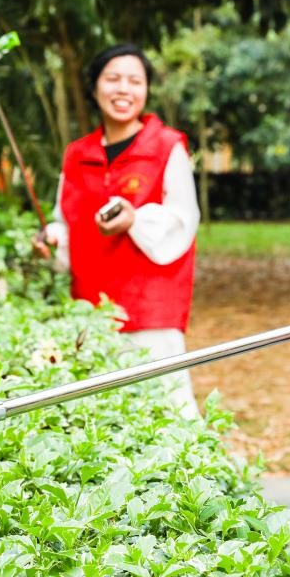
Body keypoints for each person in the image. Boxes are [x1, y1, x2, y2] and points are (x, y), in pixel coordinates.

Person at [33, 43, 200, 418]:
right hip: (91, 307)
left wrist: (135, 220)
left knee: (166, 409)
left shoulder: (167, 146)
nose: (124, 89)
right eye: (113, 79)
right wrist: (52, 239)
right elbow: (66, 219)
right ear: (94, 88)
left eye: (134, 81)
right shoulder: (77, 154)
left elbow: (183, 219)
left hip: (151, 307)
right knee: (98, 415)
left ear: (146, 90)